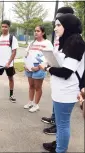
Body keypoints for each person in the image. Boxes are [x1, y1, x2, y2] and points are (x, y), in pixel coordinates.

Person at [40, 14, 85, 153]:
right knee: (61, 124)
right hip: (61, 90)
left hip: (67, 91)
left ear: (69, 25)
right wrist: (49, 61)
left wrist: (47, 68)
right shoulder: (68, 41)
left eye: (59, 25)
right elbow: (62, 62)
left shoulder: (75, 43)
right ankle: (59, 146)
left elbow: (66, 72)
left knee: (63, 124)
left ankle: (60, 150)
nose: (55, 28)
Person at [41, 6, 75, 139]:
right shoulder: (59, 34)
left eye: (60, 17)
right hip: (56, 69)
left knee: (63, 121)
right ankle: (54, 118)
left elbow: (68, 66)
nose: (56, 22)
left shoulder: (72, 38)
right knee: (56, 98)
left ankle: (57, 125)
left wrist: (50, 68)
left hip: (65, 78)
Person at [23, 25, 53, 112]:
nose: (36, 32)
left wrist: (39, 67)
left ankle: (36, 105)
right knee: (31, 86)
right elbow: (27, 55)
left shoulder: (47, 43)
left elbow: (49, 58)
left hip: (39, 68)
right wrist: (26, 64)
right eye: (35, 31)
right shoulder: (32, 43)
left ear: (43, 33)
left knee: (38, 87)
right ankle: (31, 102)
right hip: (30, 68)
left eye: (38, 31)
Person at [0, 20, 19, 102]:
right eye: (2, 26)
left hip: (9, 64)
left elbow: (14, 52)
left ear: (9, 27)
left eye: (6, 26)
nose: (4, 28)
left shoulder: (12, 38)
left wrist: (9, 63)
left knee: (10, 78)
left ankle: (11, 95)